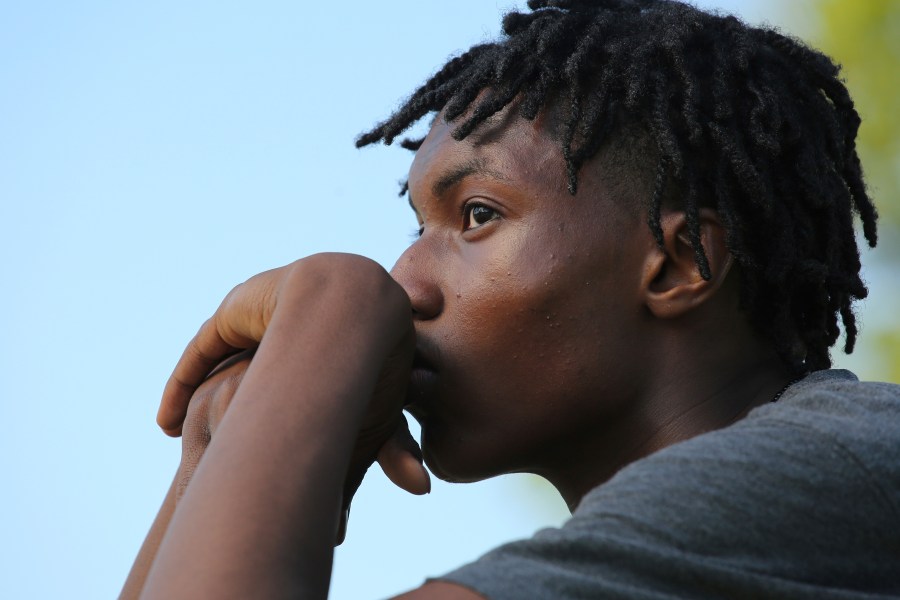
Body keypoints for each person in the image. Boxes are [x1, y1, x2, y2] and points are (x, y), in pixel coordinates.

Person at [121, 0, 900, 598]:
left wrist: (332, 309)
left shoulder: (836, 462)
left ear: (680, 263)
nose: (404, 283)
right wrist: (221, 444)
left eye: (478, 215)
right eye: (416, 225)